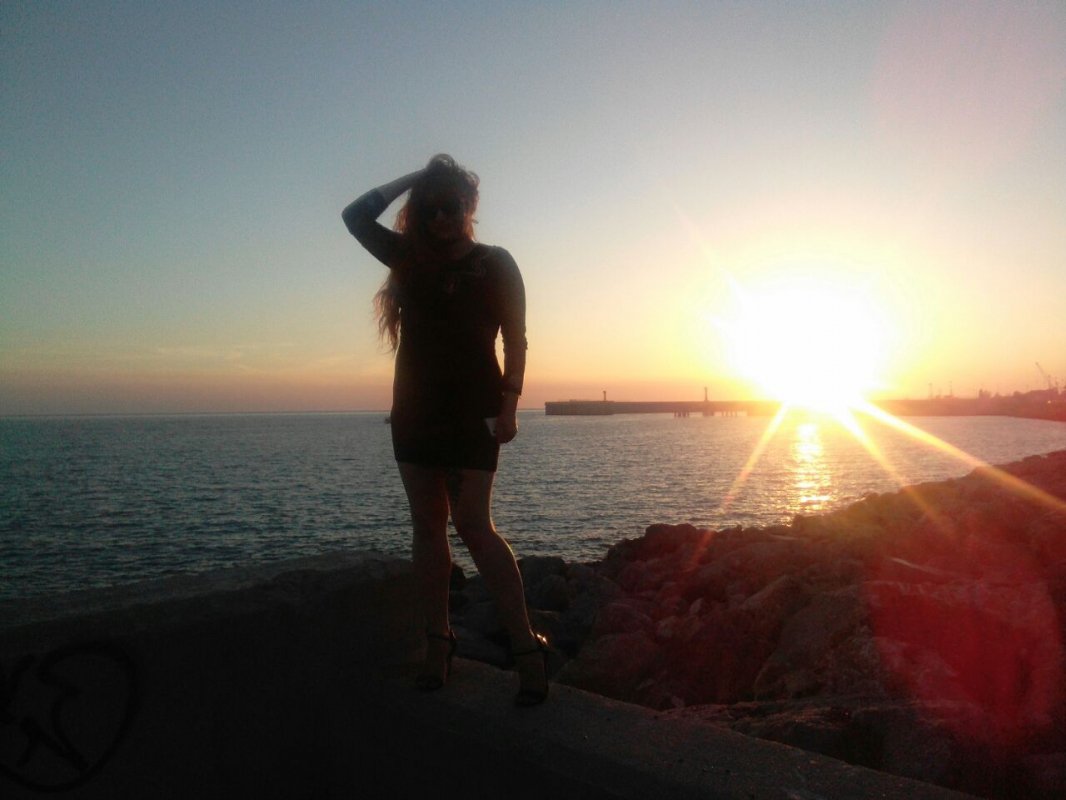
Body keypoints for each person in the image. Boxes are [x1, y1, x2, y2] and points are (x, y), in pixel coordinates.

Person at [342, 154, 548, 706]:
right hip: (414, 411)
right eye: (429, 208)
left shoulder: (495, 263)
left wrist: (510, 405)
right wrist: (419, 175)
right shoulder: (409, 258)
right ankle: (439, 642)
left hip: (474, 410)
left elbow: (516, 338)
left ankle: (525, 646)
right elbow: (354, 217)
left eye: (450, 205)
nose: (439, 218)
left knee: (475, 525)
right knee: (428, 528)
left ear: (469, 206)